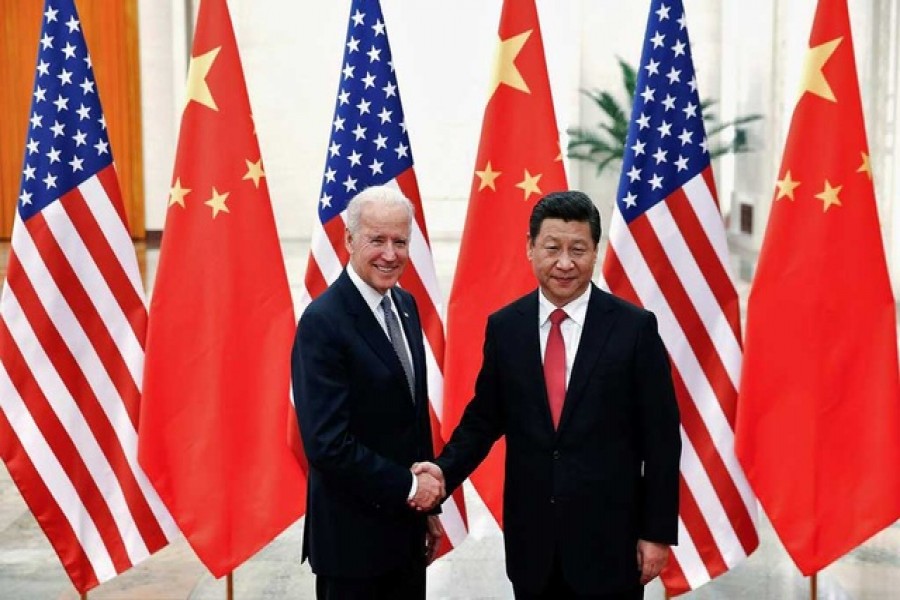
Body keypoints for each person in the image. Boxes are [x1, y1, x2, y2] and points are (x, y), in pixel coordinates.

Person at [416, 191, 681, 599]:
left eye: (578, 249)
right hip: (533, 544)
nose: (564, 263)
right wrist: (442, 472)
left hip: (611, 545)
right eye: (552, 248)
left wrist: (657, 534)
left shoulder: (634, 329)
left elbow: (662, 442)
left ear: (595, 252)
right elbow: (484, 419)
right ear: (530, 248)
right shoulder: (506, 328)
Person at [292, 185, 444, 600]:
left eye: (400, 241)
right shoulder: (323, 322)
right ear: (349, 239)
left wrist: (426, 508)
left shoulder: (407, 306)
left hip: (405, 535)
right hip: (351, 546)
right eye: (377, 240)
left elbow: (411, 416)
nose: (390, 254)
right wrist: (412, 488)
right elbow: (327, 445)